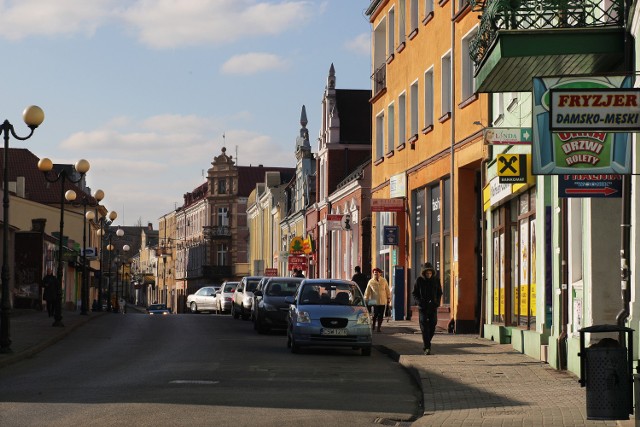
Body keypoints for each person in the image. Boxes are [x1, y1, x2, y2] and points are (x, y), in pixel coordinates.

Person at [412, 262, 443, 355]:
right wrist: (419, 302)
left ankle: (427, 342)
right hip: (423, 308)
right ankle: (427, 347)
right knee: (424, 327)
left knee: (433, 325)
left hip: (433, 307)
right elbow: (414, 293)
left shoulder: (436, 280)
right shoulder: (419, 280)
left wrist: (437, 302)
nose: (429, 275)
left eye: (430, 273)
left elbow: (439, 293)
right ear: (424, 273)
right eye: (427, 273)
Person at [364, 268, 391, 333]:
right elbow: (367, 291)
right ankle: (373, 326)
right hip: (373, 301)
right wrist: (366, 299)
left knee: (381, 315)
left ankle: (379, 327)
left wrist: (388, 298)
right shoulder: (371, 281)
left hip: (382, 301)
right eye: (374, 272)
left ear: (380, 273)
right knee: (375, 314)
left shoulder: (384, 280)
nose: (376, 273)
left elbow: (387, 290)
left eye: (377, 272)